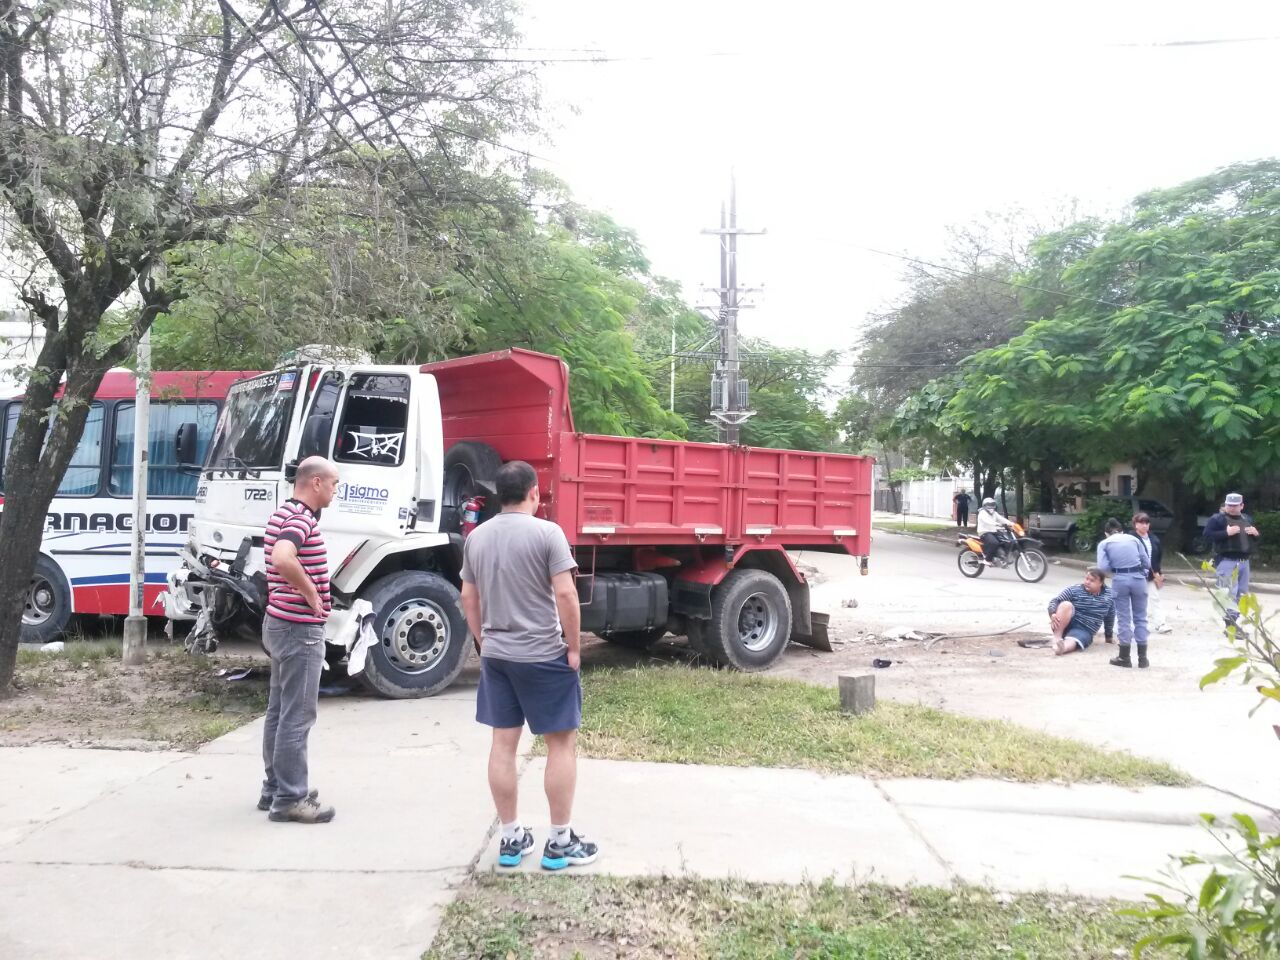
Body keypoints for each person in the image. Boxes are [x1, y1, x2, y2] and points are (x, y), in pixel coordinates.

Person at [460, 460, 599, 871]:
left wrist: (485, 643)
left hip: (498, 657)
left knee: (503, 746)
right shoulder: (547, 533)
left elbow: (468, 597)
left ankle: (511, 837)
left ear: (500, 495)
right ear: (534, 493)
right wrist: (574, 649)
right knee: (560, 744)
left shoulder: (477, 538)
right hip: (542, 655)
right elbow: (567, 596)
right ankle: (559, 843)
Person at [260, 456, 339, 823]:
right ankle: (291, 798)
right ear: (317, 483)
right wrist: (312, 595)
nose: (336, 491)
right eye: (334, 484)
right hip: (298, 629)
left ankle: (275, 787)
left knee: (279, 711)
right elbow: (282, 557)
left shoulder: (283, 513)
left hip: (279, 623)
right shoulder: (300, 519)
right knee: (297, 716)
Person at [1202, 492, 1261, 632]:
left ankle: (1234, 622)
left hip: (1244, 562)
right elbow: (1206, 536)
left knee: (1242, 594)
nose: (1232, 508)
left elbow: (1254, 541)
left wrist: (1256, 534)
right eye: (1229, 505)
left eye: (1235, 505)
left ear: (1242, 506)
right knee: (1228, 594)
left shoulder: (1247, 519)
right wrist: (1226, 533)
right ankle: (1230, 626)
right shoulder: (1217, 519)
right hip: (1226, 561)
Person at [1096, 517, 1151, 668]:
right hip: (1139, 579)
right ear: (1122, 531)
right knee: (1141, 617)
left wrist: (1115, 571)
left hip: (1120, 579)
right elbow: (1146, 562)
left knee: (1124, 618)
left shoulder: (1104, 544)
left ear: (1106, 533)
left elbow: (1103, 567)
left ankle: (1124, 657)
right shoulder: (1134, 540)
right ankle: (1143, 658)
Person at [1047, 567, 1115, 655]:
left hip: (1084, 630)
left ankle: (1062, 648)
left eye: (1092, 580)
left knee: (1073, 640)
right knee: (1066, 604)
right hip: (1065, 623)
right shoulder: (1074, 589)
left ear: (1101, 583)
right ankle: (1056, 638)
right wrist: (1052, 613)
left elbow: (1110, 616)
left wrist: (1108, 636)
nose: (1087, 582)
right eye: (1086, 579)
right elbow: (1055, 601)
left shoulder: (1109, 596)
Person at [1131, 512, 1171, 634]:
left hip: (1151, 575)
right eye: (1141, 523)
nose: (1144, 525)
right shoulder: (1131, 539)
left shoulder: (1154, 538)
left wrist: (1159, 573)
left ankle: (1160, 624)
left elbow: (1158, 557)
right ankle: (1137, 625)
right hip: (1135, 575)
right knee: (1136, 601)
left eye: (1146, 523)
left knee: (1155, 598)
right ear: (1135, 524)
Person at [976, 497, 1014, 563]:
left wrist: (1011, 523)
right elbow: (988, 521)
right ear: (984, 505)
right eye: (989, 505)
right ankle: (987, 559)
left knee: (1007, 540)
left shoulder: (994, 513)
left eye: (992, 504)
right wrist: (997, 524)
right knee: (994, 543)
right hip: (984, 532)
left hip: (993, 531)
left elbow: (1001, 519)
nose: (991, 507)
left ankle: (1002, 557)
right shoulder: (982, 513)